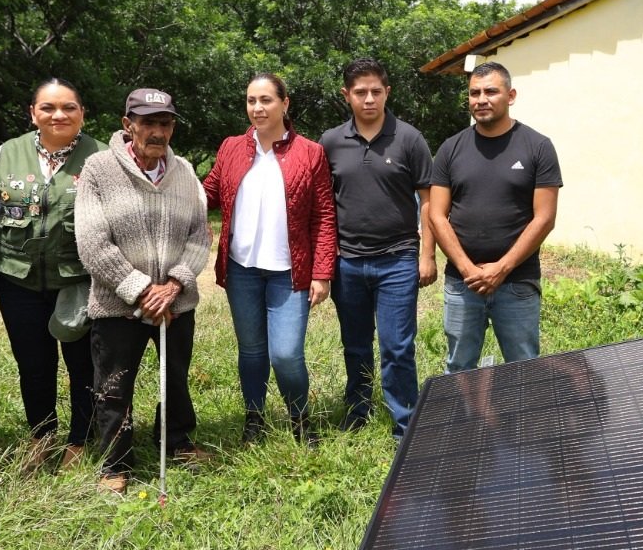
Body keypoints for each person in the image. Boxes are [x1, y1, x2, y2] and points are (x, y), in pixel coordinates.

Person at [75, 88, 210, 493]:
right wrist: (139, 289)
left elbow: (200, 236)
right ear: (127, 124)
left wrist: (172, 285)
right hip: (118, 304)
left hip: (175, 302)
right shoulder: (98, 169)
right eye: (147, 122)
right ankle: (115, 463)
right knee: (114, 383)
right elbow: (92, 241)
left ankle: (177, 440)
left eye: (164, 123)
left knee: (176, 376)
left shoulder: (185, 171)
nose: (156, 131)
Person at [203, 73, 336, 444]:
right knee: (251, 350)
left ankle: (299, 418)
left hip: (289, 272)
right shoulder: (231, 147)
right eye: (251, 101)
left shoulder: (310, 152)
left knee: (286, 354)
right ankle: (254, 417)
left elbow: (323, 215)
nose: (257, 108)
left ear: (284, 103)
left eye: (266, 100)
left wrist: (322, 272)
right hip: (241, 268)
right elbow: (208, 192)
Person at [0, 78, 105, 471]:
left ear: (82, 113)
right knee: (33, 364)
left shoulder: (102, 157)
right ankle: (41, 435)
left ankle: (80, 439)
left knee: (82, 365)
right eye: (49, 108)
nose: (59, 115)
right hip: (17, 279)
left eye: (69, 107)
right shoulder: (5, 153)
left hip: (77, 280)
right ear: (33, 113)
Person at [320, 58, 436, 438]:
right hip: (347, 263)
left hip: (398, 259)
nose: (369, 99)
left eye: (376, 91)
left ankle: (406, 423)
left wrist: (427, 254)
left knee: (397, 346)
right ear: (346, 95)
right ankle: (358, 411)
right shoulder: (331, 142)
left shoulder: (409, 139)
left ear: (388, 92)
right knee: (354, 345)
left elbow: (429, 201)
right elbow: (322, 205)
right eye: (360, 92)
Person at [428, 61, 562, 372]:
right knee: (458, 367)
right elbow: (436, 215)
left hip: (517, 282)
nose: (481, 99)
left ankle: (524, 422)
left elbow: (545, 218)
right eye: (474, 93)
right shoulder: (450, 148)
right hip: (463, 283)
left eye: (491, 91)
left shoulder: (537, 147)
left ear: (511, 95)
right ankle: (464, 422)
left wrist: (501, 268)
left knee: (524, 367)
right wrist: (467, 268)